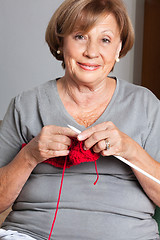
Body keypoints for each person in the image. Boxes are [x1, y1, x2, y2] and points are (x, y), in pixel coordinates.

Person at [0, 0, 160, 239]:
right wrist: (30, 155)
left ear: (118, 49)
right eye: (80, 36)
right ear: (61, 43)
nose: (92, 52)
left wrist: (130, 150)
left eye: (105, 40)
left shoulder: (145, 104)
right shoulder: (25, 104)